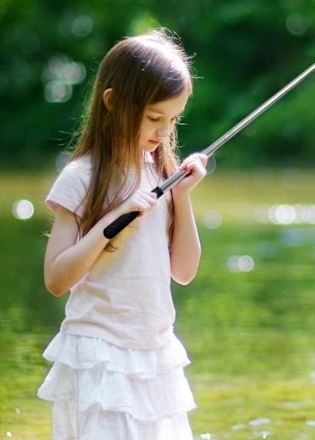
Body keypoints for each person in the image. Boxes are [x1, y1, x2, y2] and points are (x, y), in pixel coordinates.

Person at [38, 29, 208, 440]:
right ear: (113, 103)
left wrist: (182, 198)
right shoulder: (82, 178)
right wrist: (113, 220)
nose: (163, 132)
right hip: (101, 354)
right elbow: (57, 280)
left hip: (155, 353)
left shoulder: (161, 177)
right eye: (153, 118)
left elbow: (184, 271)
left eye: (172, 120)